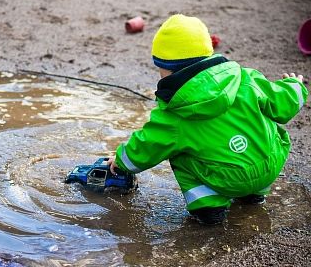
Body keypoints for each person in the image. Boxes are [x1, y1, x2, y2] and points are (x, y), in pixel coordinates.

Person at [107, 14, 308, 225]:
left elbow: (147, 145)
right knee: (262, 128)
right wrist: (295, 86)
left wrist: (121, 162)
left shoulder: (173, 113)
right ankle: (254, 195)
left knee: (177, 151)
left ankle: (209, 207)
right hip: (269, 165)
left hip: (226, 180)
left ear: (165, 68)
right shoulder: (246, 78)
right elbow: (283, 103)